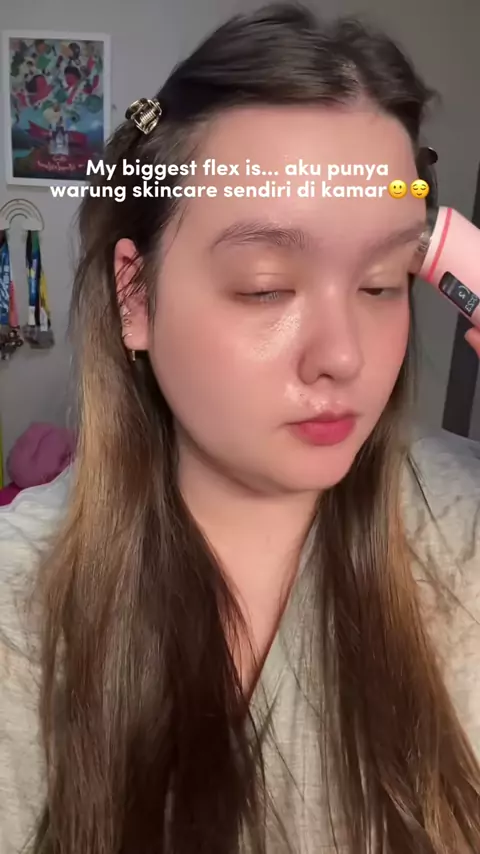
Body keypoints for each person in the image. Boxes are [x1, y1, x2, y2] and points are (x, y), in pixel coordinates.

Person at [1, 4, 480, 853]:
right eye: (266, 287)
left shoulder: (464, 531)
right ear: (135, 297)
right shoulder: (20, 599)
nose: (343, 356)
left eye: (380, 283)